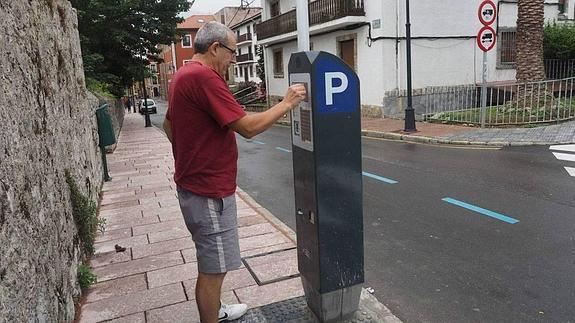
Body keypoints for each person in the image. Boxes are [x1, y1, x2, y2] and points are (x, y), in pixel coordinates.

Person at [163, 21, 306, 323]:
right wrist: (287, 103)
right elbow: (249, 128)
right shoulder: (206, 77)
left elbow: (169, 125)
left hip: (193, 185)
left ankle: (216, 309)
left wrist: (192, 148)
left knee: (214, 258)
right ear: (215, 48)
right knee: (214, 267)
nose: (233, 59)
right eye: (232, 52)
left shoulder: (182, 75)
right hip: (208, 191)